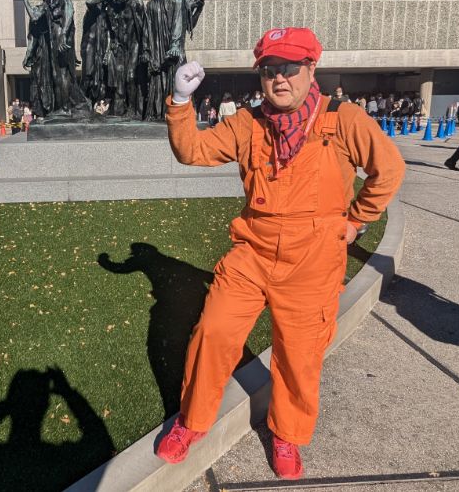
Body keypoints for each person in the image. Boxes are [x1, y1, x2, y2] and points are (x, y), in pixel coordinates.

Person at [156, 27, 405, 480]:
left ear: (312, 68)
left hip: (314, 261)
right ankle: (192, 422)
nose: (280, 78)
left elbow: (388, 170)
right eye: (270, 69)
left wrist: (356, 220)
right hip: (252, 252)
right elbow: (192, 150)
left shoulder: (343, 119)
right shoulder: (247, 123)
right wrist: (180, 100)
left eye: (290, 67)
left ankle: (287, 433)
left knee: (299, 356)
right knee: (213, 332)